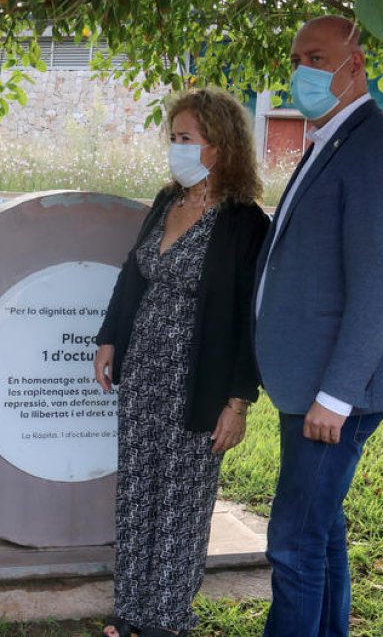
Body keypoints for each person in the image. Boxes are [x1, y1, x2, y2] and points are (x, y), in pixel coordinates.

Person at [253, 16, 383, 636]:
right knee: (320, 530)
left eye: (318, 56)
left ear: (354, 65)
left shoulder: (378, 147)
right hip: (312, 380)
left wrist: (337, 395)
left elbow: (381, 291)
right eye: (297, 56)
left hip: (334, 391)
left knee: (294, 541)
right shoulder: (334, 139)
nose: (302, 69)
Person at [93, 87, 270, 637]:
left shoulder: (245, 223)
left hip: (199, 384)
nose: (176, 148)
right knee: (139, 492)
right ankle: (131, 614)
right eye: (174, 138)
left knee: (182, 505)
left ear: (218, 146)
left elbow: (250, 321)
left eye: (185, 139)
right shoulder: (167, 200)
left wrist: (237, 402)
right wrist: (109, 340)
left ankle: (167, 621)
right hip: (144, 373)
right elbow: (132, 275)